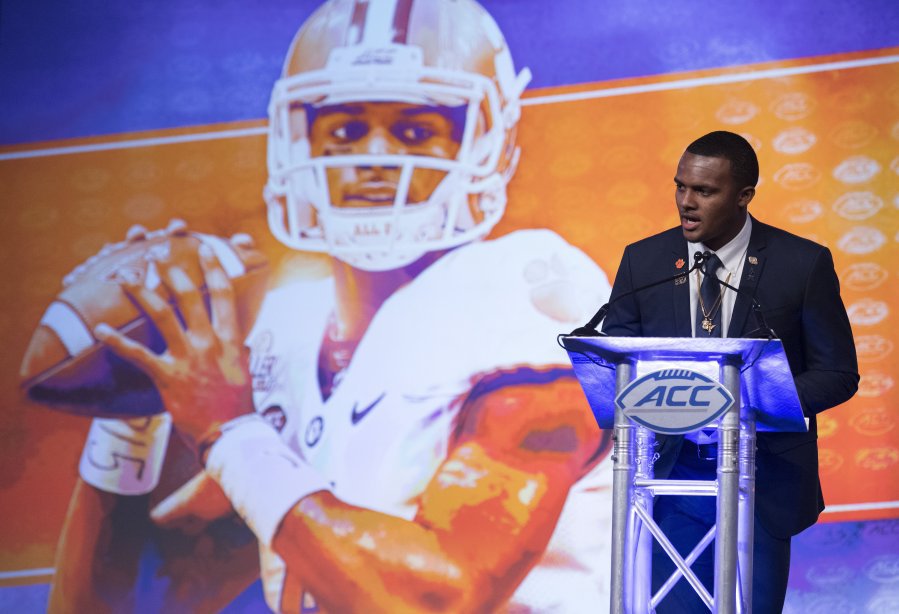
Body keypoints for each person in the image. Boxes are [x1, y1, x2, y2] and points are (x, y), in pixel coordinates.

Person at [46, 1, 614, 612]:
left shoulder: (520, 296)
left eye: (415, 129)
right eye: (343, 129)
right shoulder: (290, 331)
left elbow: (437, 601)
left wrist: (227, 431)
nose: (373, 156)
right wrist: (134, 401)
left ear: (489, 144)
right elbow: (132, 601)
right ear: (298, 140)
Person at [601, 130, 859, 612]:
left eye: (704, 191)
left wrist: (747, 405)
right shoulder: (646, 261)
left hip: (762, 480)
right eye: (680, 187)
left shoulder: (801, 265)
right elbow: (617, 361)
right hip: (671, 481)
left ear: (744, 197)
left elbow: (838, 372)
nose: (686, 202)